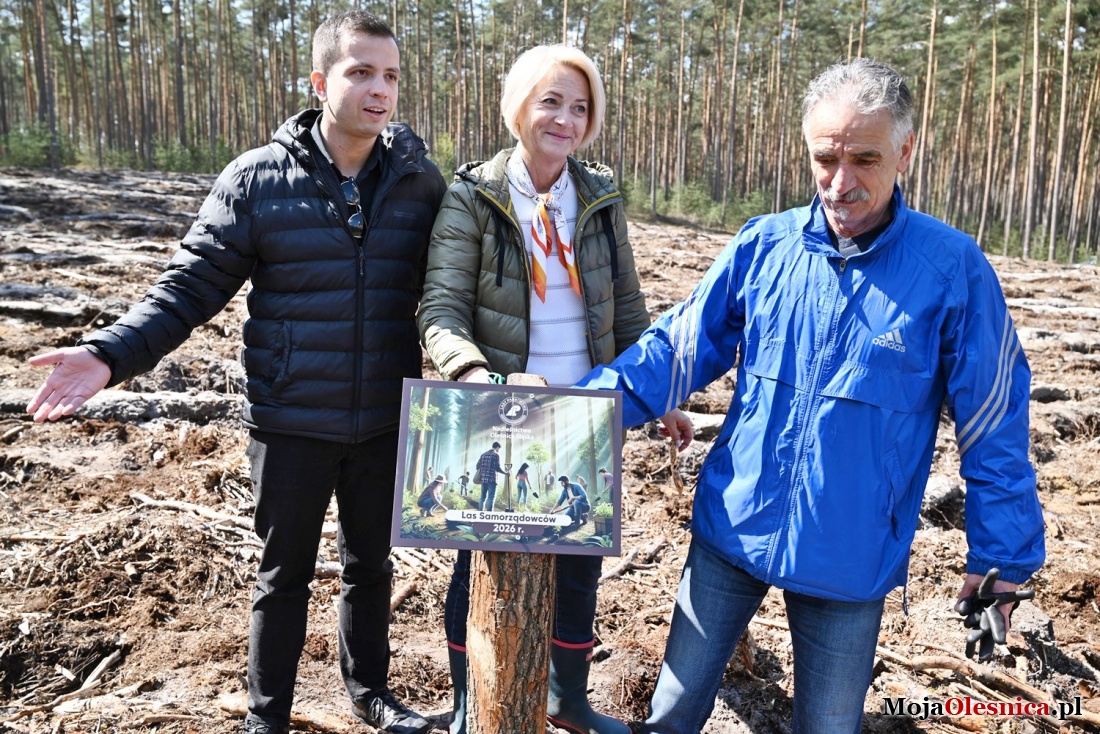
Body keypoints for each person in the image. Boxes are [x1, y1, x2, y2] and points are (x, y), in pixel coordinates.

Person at [576, 58, 1045, 733]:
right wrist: (577, 416)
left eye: (864, 159)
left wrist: (1000, 557)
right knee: (671, 715)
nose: (841, 182)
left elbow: (994, 420)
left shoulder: (951, 271)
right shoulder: (765, 246)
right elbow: (675, 351)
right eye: (826, 158)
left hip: (851, 555)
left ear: (905, 152)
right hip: (732, 526)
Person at [24, 11, 446, 734]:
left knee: (371, 567)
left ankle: (371, 695)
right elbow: (188, 288)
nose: (380, 89)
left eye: (391, 75)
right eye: (360, 72)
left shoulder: (418, 182)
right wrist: (109, 353)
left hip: (385, 417)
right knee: (283, 576)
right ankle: (266, 716)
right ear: (320, 83)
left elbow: (456, 291)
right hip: (289, 419)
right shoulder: (257, 180)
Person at [417, 44, 691, 734]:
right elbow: (441, 309)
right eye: (551, 102)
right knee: (479, 559)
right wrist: (476, 376)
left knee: (578, 562)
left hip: (585, 409)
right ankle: (470, 704)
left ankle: (567, 700)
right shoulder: (474, 196)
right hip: (500, 408)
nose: (565, 119)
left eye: (580, 107)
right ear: (519, 106)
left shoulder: (598, 197)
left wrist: (659, 392)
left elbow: (628, 307)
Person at [474, 441, 506, 511]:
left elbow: (477, 466)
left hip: (483, 480)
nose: (498, 450)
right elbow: (497, 468)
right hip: (492, 480)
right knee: (491, 497)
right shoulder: (495, 455)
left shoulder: (483, 455)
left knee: (482, 497)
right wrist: (505, 473)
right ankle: (489, 513)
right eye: (499, 449)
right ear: (497, 447)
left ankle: (480, 512)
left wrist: (483, 470)